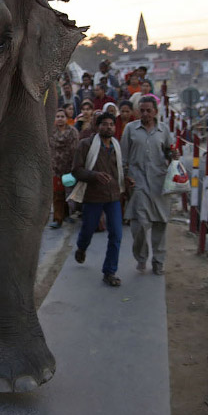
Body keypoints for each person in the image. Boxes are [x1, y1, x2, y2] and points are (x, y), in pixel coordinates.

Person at [120, 95, 179, 276]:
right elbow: (122, 157)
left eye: (148, 110)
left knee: (160, 224)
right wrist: (124, 177)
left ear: (155, 112)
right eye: (142, 110)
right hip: (137, 183)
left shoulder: (163, 130)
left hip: (160, 183)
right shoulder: (130, 129)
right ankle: (141, 256)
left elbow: (170, 152)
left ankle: (158, 262)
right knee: (139, 224)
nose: (145, 114)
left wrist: (173, 155)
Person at [71, 112, 126, 287]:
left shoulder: (117, 146)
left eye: (111, 124)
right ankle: (81, 247)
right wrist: (94, 175)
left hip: (113, 197)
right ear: (97, 126)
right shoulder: (85, 145)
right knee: (88, 230)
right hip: (93, 197)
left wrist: (128, 179)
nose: (108, 127)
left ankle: (110, 272)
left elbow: (121, 169)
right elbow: (76, 170)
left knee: (116, 234)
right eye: (105, 124)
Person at [49, 108, 80, 229]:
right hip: (55, 168)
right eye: (57, 117)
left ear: (67, 119)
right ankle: (57, 219)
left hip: (69, 168)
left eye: (62, 116)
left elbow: (76, 150)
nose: (60, 119)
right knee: (57, 194)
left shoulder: (73, 132)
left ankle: (67, 214)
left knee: (68, 193)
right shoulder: (51, 132)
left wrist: (75, 166)